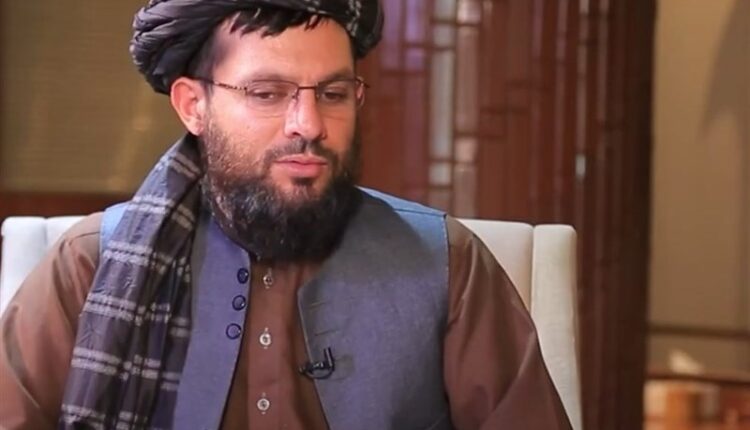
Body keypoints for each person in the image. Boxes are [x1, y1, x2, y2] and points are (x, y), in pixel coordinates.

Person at [0, 1, 572, 429]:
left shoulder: (449, 265)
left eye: (333, 94)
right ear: (193, 105)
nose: (309, 124)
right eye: (267, 93)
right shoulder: (90, 264)